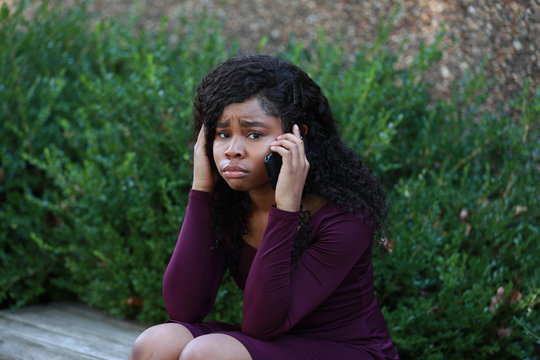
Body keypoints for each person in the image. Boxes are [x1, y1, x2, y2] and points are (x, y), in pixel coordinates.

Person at [130, 54, 398, 360]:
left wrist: (285, 209)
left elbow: (261, 325)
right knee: (156, 342)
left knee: (208, 353)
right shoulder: (233, 205)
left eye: (253, 134)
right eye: (222, 134)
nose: (232, 151)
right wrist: (202, 190)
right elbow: (183, 307)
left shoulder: (344, 219)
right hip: (273, 344)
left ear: (298, 137)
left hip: (347, 351)